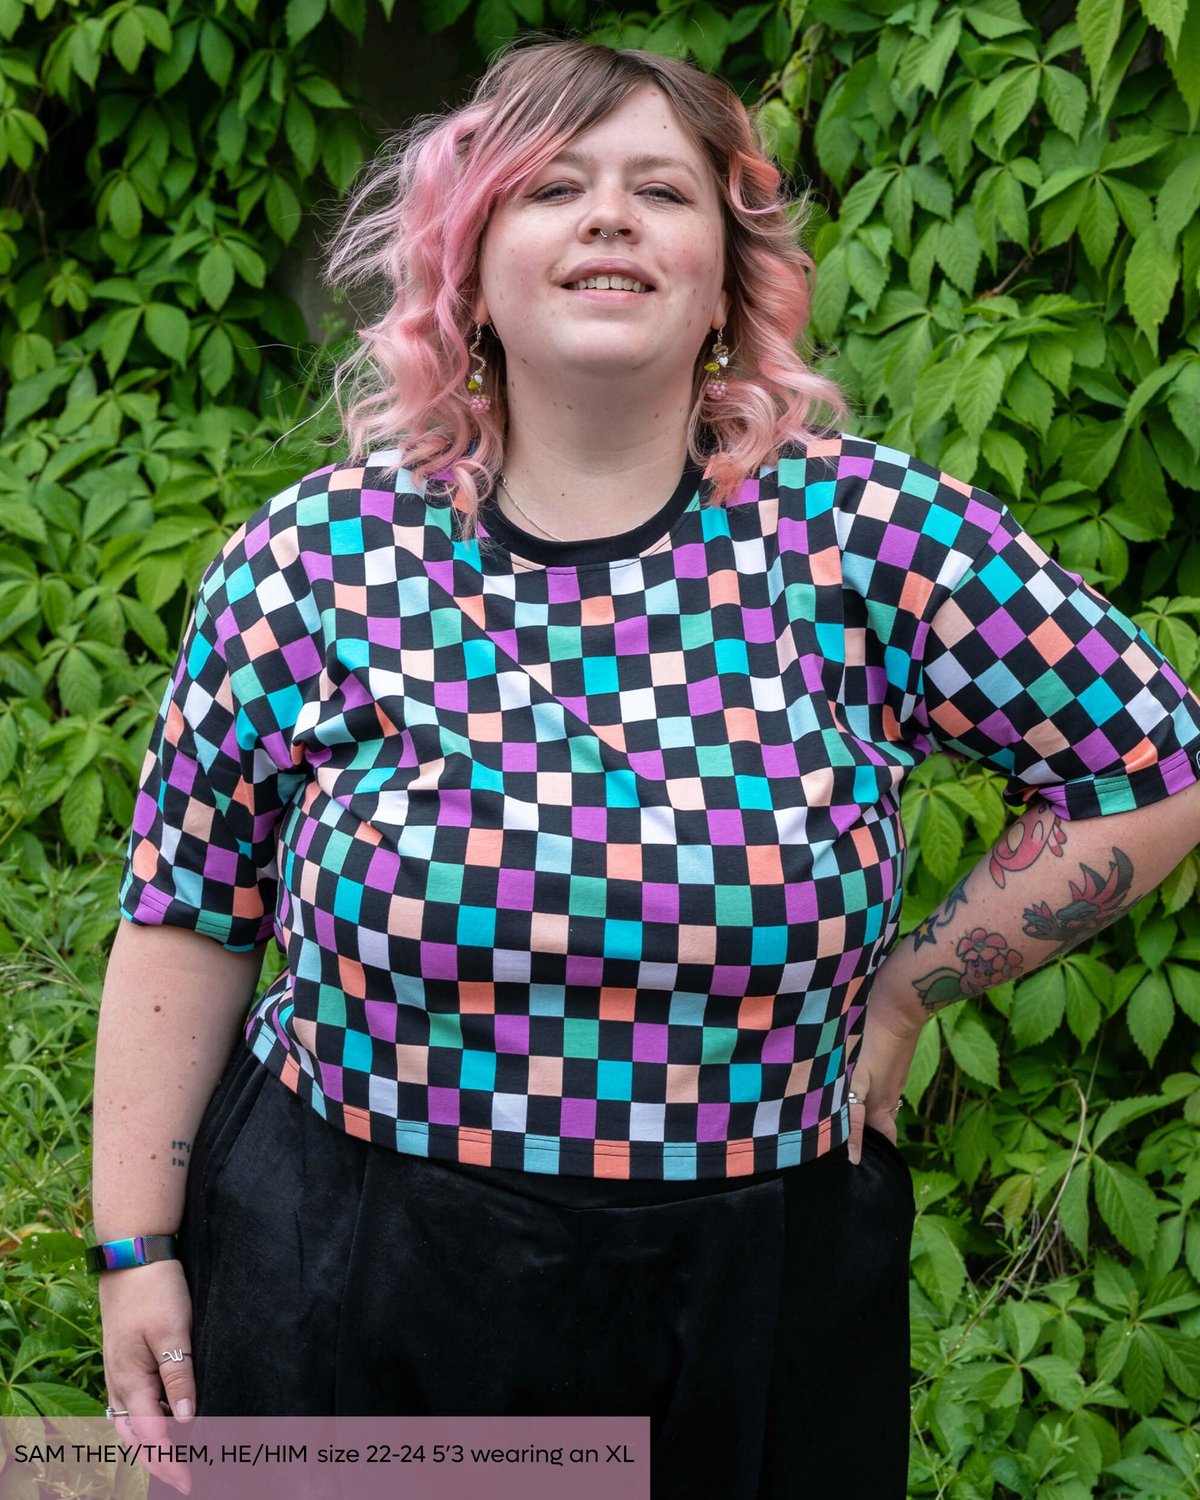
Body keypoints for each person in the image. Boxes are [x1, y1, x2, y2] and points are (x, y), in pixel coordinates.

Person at [91, 36, 1200, 1500]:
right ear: (469, 266)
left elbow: (1151, 767)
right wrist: (133, 1249)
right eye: (553, 187)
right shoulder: (316, 558)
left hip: (753, 1290)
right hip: (357, 1265)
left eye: (662, 191)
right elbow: (186, 911)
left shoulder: (872, 540)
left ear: (729, 280)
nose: (609, 217)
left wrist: (909, 989)